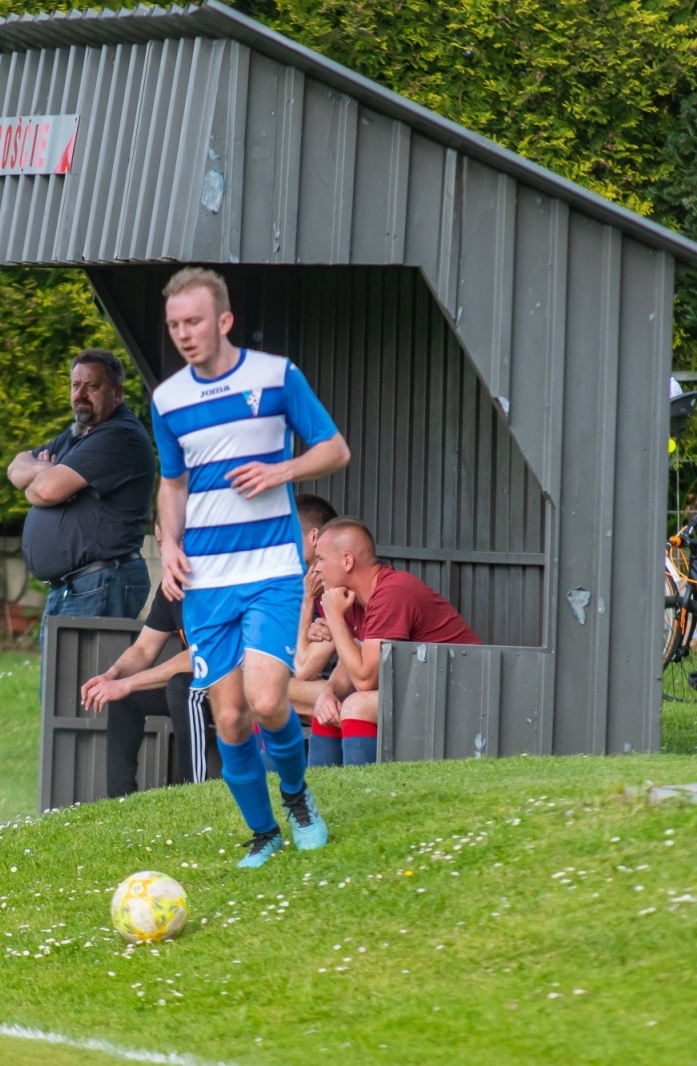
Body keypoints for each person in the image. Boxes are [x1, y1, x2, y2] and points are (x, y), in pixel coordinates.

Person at [151, 267, 351, 868]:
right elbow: (172, 483)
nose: (183, 334)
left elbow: (335, 449)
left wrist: (282, 470)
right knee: (232, 716)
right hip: (206, 582)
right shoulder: (168, 400)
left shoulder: (275, 376)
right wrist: (169, 544)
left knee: (267, 700)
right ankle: (264, 833)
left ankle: (297, 799)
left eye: (193, 322)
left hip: (271, 569)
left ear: (224, 320)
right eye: (174, 325)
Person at [9, 349, 154, 639]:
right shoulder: (77, 434)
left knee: (87, 670)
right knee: (63, 670)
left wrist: (45, 478)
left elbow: (44, 491)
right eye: (76, 385)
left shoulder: (118, 435)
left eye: (92, 386)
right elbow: (15, 468)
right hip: (78, 586)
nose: (80, 394)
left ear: (118, 393)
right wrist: (44, 469)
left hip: (101, 582)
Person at [312, 517, 480, 766]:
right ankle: (320, 790)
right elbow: (350, 661)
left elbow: (365, 680)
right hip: (421, 690)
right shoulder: (351, 598)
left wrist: (334, 617)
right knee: (326, 708)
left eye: (321, 559)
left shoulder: (391, 592)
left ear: (347, 561)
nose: (316, 569)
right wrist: (329, 692)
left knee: (357, 705)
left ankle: (363, 788)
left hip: (462, 696)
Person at [79, 588, 213, 796]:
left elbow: (203, 656)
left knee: (181, 687)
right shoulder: (172, 586)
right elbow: (143, 649)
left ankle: (194, 795)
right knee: (125, 697)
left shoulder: (216, 584)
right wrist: (112, 676)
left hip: (239, 688)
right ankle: (120, 802)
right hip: (204, 687)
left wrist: (128, 683)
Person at [288, 494, 340, 759]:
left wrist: (308, 601)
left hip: (379, 688)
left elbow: (303, 668)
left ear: (314, 536)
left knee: (266, 689)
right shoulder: (312, 578)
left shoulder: (336, 579)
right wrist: (306, 628)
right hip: (338, 681)